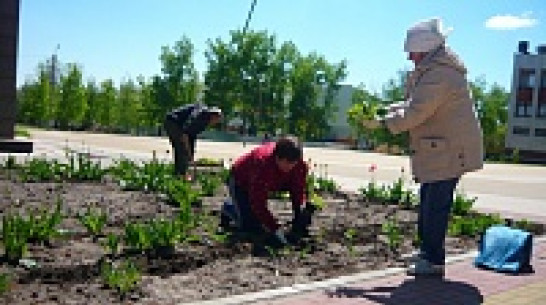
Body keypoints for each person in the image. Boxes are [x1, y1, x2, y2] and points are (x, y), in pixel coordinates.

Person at [361, 18, 483, 276]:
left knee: (436, 206)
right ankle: (427, 252)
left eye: (412, 52)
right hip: (443, 149)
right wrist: (385, 110)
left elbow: (416, 111)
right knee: (429, 200)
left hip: (450, 151)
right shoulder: (434, 70)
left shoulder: (440, 74)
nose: (409, 57)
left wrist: (383, 122)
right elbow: (412, 102)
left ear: (425, 48)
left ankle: (434, 261)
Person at [220, 136, 313, 247]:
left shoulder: (299, 166)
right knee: (251, 226)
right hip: (241, 182)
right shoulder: (262, 163)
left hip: (274, 182)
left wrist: (299, 212)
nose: (288, 166)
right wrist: (275, 228)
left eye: (292, 163)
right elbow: (258, 202)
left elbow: (298, 189)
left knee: (264, 222)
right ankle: (229, 208)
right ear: (276, 157)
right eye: (284, 162)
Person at [164, 103, 222, 176]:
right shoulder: (200, 115)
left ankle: (180, 174)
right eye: (216, 120)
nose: (215, 123)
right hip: (173, 122)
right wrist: (188, 150)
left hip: (179, 125)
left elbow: (192, 135)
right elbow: (186, 133)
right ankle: (180, 175)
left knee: (185, 152)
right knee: (182, 149)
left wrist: (191, 153)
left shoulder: (204, 122)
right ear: (213, 116)